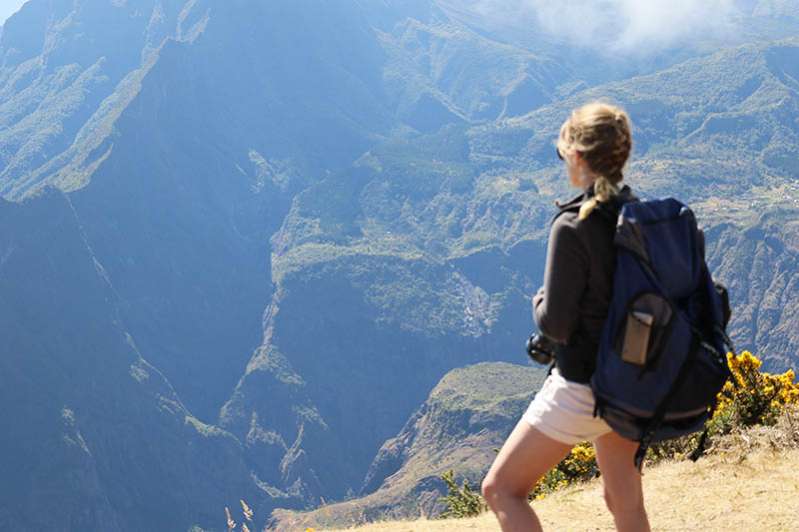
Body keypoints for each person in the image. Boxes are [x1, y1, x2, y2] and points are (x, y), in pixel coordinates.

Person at [482, 102, 651, 532]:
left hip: (582, 386)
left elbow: (555, 323)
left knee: (501, 490)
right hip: (631, 380)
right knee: (624, 499)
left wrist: (536, 301)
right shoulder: (639, 215)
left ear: (577, 156)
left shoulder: (573, 225)